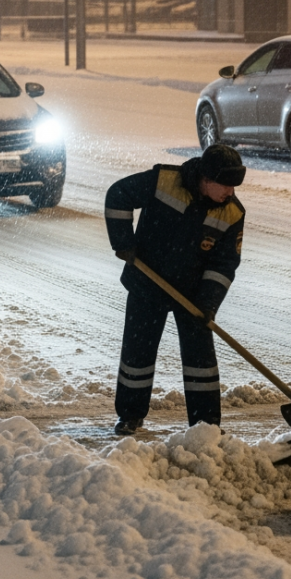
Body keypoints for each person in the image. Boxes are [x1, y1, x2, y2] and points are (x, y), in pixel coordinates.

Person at [104, 144, 247, 435]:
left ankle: (205, 425)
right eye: (225, 185)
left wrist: (207, 303)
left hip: (193, 294)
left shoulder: (231, 213)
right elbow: (118, 195)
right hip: (148, 281)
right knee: (137, 353)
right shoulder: (164, 182)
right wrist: (124, 243)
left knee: (201, 363)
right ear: (206, 178)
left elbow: (224, 264)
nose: (230, 192)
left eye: (234, 186)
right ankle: (130, 415)